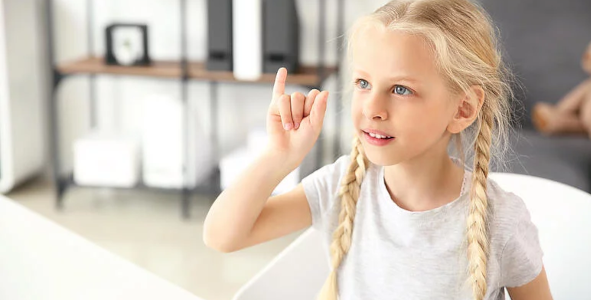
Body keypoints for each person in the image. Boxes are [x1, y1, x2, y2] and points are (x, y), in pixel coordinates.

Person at [203, 0, 553, 299]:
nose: (372, 108)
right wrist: (279, 157)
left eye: (401, 89)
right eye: (363, 83)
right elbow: (222, 236)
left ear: (462, 108)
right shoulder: (341, 185)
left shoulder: (502, 222)